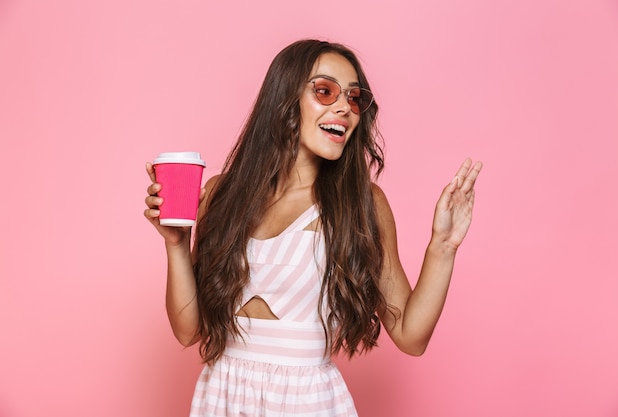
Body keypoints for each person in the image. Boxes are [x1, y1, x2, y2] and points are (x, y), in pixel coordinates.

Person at [144, 39, 482, 417]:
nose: (344, 107)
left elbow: (411, 335)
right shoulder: (221, 194)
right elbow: (189, 331)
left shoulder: (362, 204)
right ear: (285, 99)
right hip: (223, 397)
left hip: (307, 402)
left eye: (354, 98)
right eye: (325, 91)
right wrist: (176, 243)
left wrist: (444, 246)